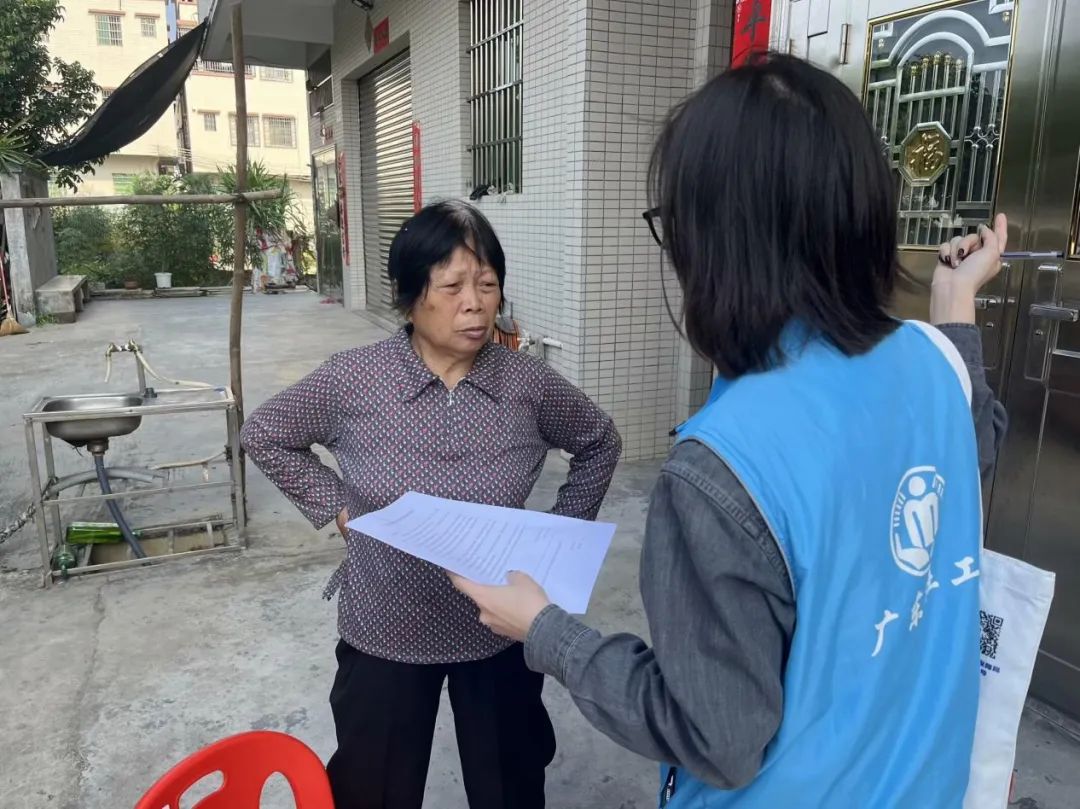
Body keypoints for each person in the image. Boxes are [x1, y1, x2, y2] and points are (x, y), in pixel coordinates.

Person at [453, 54, 1008, 807]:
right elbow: (973, 453)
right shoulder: (935, 362)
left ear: (716, 238)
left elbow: (720, 736)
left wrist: (547, 631)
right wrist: (954, 306)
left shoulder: (722, 465)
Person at [240, 199, 622, 809]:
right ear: (409, 294)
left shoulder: (526, 382)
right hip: (385, 623)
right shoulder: (353, 378)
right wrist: (338, 507)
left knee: (509, 786)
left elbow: (600, 440)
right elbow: (264, 434)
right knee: (374, 788)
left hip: (498, 627)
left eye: (487, 285)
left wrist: (554, 540)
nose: (475, 304)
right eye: (452, 287)